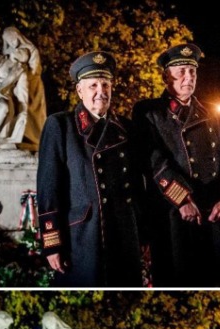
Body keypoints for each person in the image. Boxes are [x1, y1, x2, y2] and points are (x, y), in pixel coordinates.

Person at [37, 51, 145, 287]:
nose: (101, 92)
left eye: (105, 84)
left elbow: (137, 186)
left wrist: (142, 234)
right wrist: (52, 244)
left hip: (124, 232)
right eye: (93, 85)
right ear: (79, 91)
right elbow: (49, 190)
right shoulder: (61, 126)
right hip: (83, 238)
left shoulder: (125, 128)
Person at [133, 43, 220, 286]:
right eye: (181, 71)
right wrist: (181, 199)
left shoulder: (212, 113)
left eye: (192, 71)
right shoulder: (149, 112)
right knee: (177, 280)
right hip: (173, 213)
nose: (188, 77)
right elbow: (152, 160)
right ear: (165, 76)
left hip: (212, 212)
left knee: (214, 284)